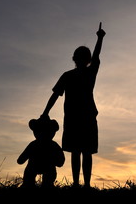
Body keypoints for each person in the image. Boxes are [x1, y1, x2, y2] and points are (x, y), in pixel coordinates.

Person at [41, 23, 106, 188]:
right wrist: (99, 38)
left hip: (77, 117)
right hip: (81, 117)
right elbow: (55, 94)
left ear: (74, 59)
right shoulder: (83, 74)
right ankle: (83, 184)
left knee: (79, 152)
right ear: (83, 59)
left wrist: (45, 112)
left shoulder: (70, 75)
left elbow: (55, 95)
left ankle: (80, 184)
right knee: (84, 152)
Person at [17, 118, 65, 188]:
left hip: (38, 165)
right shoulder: (52, 145)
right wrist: (57, 161)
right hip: (41, 165)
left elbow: (21, 159)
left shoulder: (34, 144)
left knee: (33, 173)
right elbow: (60, 160)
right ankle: (32, 184)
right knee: (31, 174)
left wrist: (21, 160)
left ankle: (42, 185)